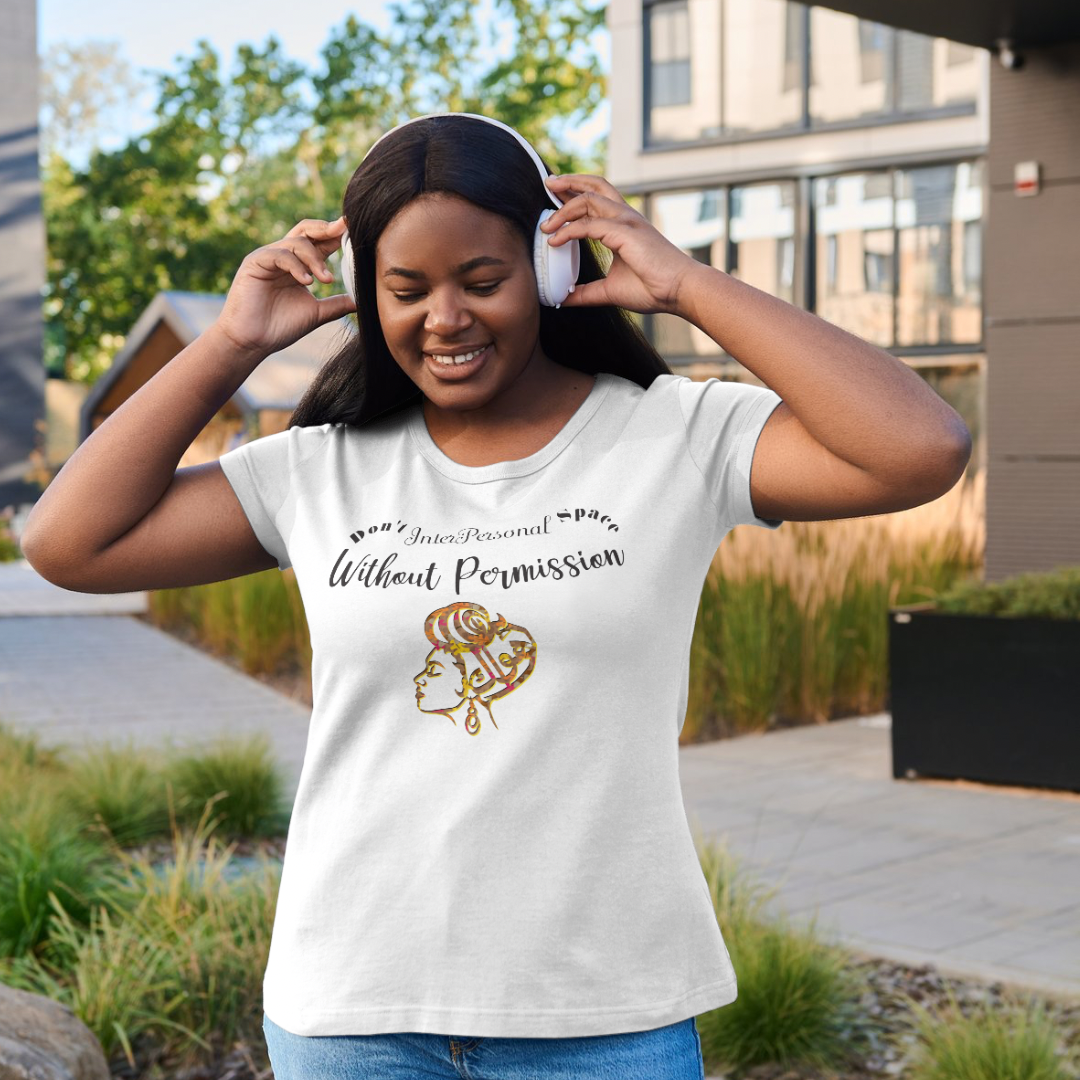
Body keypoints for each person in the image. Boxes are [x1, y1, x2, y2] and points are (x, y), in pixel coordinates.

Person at [20, 112, 971, 1079]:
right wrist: (232, 341)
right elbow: (65, 543)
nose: (445, 318)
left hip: (606, 1017)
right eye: (406, 289)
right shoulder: (318, 472)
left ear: (551, 273)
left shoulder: (673, 437)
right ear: (363, 295)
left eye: (483, 282)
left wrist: (688, 287)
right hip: (355, 1014)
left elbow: (920, 449)